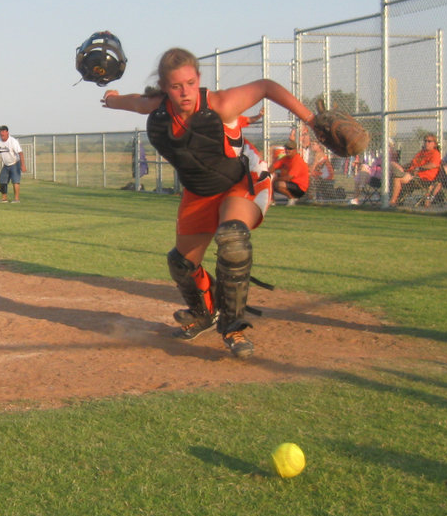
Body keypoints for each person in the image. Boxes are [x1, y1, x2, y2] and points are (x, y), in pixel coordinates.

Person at [101, 47, 315, 358]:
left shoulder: (221, 104)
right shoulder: (158, 108)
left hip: (240, 181)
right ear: (164, 87)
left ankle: (233, 326)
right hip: (198, 191)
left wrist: (312, 118)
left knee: (232, 238)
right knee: (181, 264)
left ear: (198, 79)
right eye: (176, 86)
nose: (185, 92)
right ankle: (204, 313)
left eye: (190, 83)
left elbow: (267, 86)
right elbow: (129, 102)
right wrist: (110, 98)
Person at [388, 135, 441, 206]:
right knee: (392, 173)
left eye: (429, 141)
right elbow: (412, 163)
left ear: (434, 144)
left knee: (397, 178)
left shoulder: (435, 153)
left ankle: (393, 201)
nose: (426, 143)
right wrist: (402, 167)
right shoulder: (421, 152)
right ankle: (396, 199)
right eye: (425, 141)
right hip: (411, 174)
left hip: (422, 178)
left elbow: (433, 165)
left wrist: (418, 168)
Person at [0, 125, 26, 203]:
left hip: (15, 163)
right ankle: (4, 198)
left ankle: (16, 199)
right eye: (0, 132)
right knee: (1, 180)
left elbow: (20, 153)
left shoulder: (13, 141)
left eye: (3, 131)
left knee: (15, 181)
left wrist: (23, 165)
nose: (1, 133)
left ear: (7, 132)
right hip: (6, 165)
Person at [270, 141, 310, 205]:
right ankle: (271, 200)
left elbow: (289, 177)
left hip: (300, 187)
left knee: (278, 184)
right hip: (291, 183)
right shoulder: (285, 158)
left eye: (290, 149)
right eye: (286, 148)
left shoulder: (297, 160)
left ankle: (292, 198)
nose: (287, 150)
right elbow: (273, 167)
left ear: (295, 150)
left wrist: (275, 179)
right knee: (270, 181)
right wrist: (268, 174)